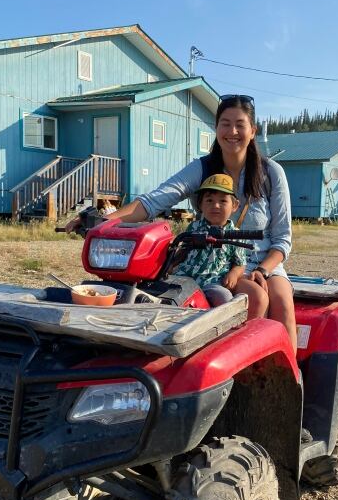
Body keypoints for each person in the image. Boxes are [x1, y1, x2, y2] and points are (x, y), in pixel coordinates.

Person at [86, 95, 296, 349]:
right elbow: (153, 201)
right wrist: (102, 222)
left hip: (262, 263)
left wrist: (261, 270)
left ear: (253, 131)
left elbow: (282, 239)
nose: (232, 131)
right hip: (210, 262)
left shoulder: (271, 173)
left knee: (282, 302)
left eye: (240, 124)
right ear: (216, 128)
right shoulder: (203, 168)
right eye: (225, 123)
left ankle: (288, 381)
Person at [173, 173, 247, 307]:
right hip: (185, 278)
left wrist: (234, 274)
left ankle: (223, 327)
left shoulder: (234, 234)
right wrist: (170, 265)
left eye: (223, 201)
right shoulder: (194, 226)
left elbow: (240, 263)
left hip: (213, 282)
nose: (216, 205)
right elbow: (183, 252)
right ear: (200, 204)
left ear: (235, 205)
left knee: (225, 298)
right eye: (209, 200)